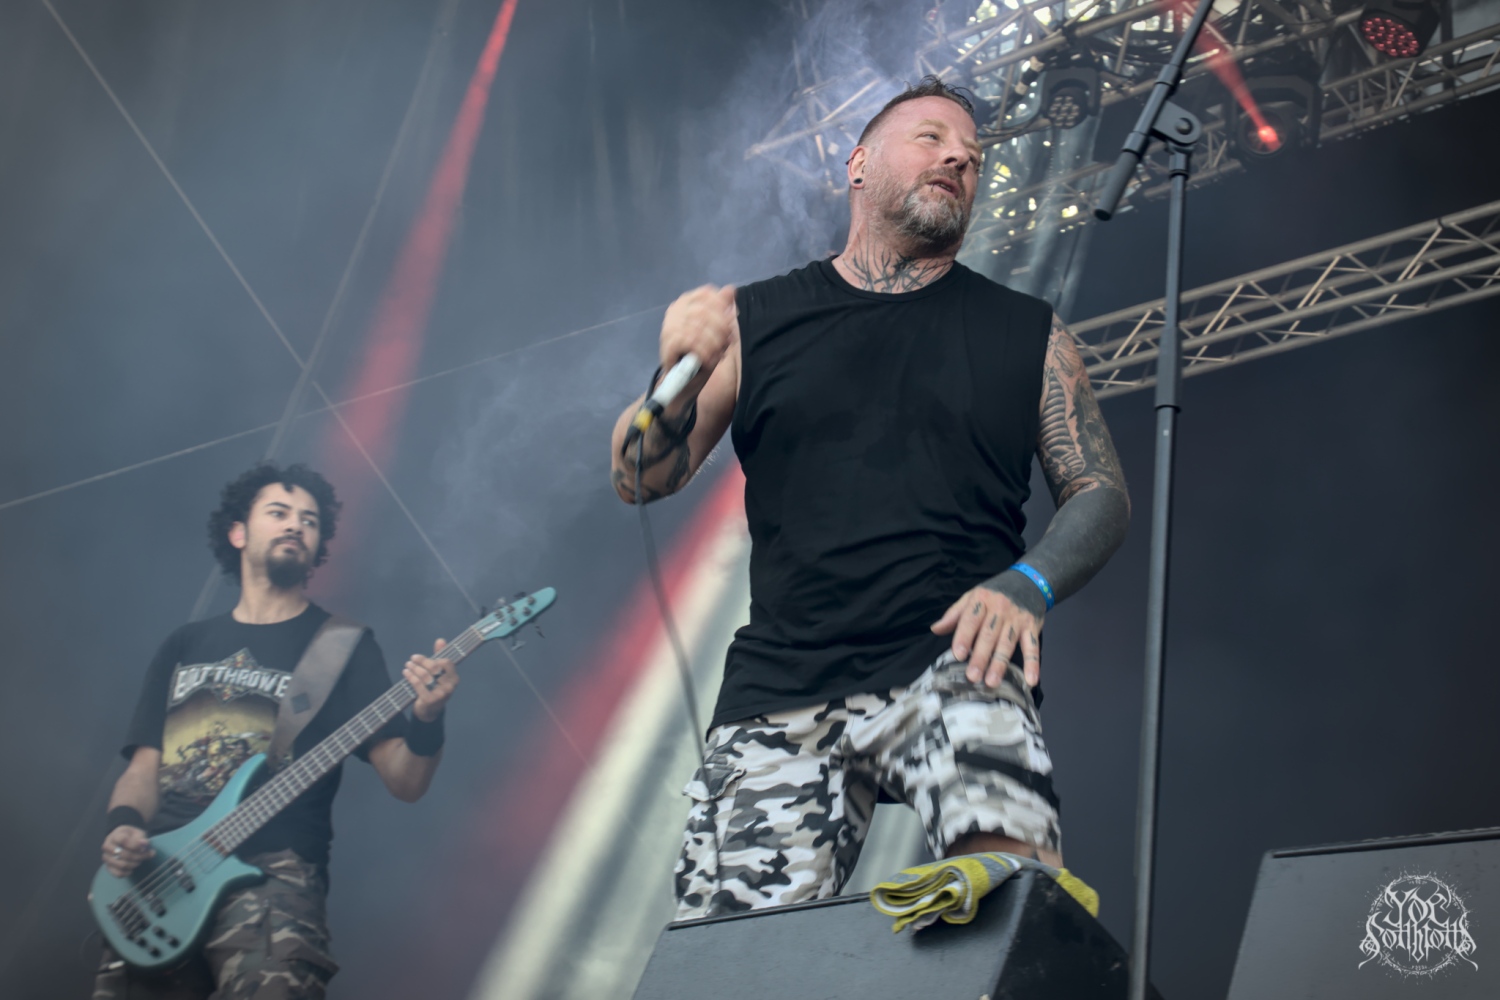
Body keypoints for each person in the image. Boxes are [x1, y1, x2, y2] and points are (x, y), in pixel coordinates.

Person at [609, 77, 1131, 918]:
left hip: (957, 662)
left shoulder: (1029, 333)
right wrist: (677, 372)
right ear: (858, 164)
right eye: (932, 138)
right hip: (781, 684)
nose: (959, 157)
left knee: (1014, 903)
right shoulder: (756, 320)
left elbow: (1100, 492)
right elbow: (640, 476)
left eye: (972, 155)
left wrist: (1027, 585)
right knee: (730, 959)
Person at [94, 463, 458, 998]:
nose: (295, 525)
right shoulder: (185, 644)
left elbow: (405, 782)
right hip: (158, 879)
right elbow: (143, 768)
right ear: (238, 533)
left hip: (273, 878)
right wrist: (123, 827)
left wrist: (428, 718)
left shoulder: (342, 646)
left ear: (317, 546)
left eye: (309, 520)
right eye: (279, 513)